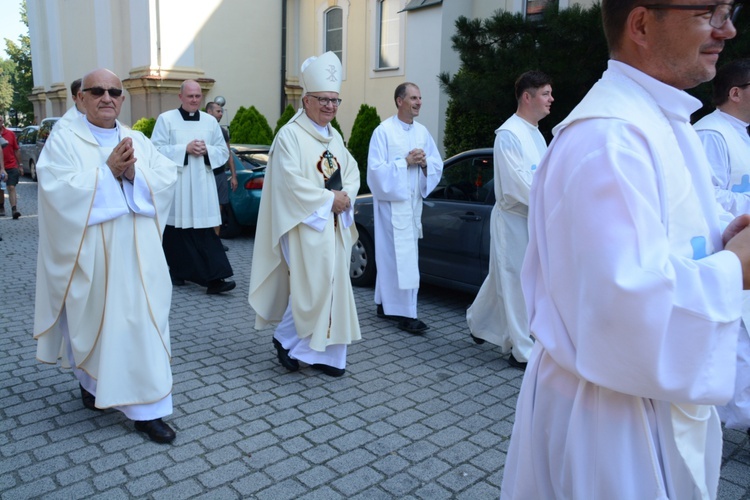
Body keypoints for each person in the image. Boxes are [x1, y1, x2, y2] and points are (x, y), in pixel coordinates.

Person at [501, 2, 750, 499]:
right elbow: (621, 307)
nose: (728, 29)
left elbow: (662, 241)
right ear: (640, 24)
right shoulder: (609, 136)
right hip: (611, 422)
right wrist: (734, 268)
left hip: (642, 405)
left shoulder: (662, 118)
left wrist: (723, 237)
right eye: (709, 12)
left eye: (729, 10)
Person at [33, 68, 178, 444]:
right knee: (97, 326)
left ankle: (148, 410)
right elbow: (55, 191)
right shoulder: (64, 140)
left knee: (143, 327)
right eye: (97, 90)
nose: (107, 97)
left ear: (123, 98)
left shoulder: (136, 138)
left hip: (141, 257)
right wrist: (106, 172)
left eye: (114, 91)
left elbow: (165, 178)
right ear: (80, 97)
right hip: (93, 256)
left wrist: (134, 177)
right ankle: (91, 381)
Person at [249, 51, 361, 377]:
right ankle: (285, 339)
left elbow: (350, 171)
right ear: (306, 100)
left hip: (333, 223)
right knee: (311, 288)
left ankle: (328, 356)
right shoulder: (290, 136)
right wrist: (329, 200)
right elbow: (289, 184)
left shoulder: (334, 136)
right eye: (323, 99)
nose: (330, 106)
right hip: (303, 223)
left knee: (333, 285)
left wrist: (345, 196)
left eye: (335, 100)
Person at [465, 70, 553, 370]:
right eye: (545, 93)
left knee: (503, 276)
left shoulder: (537, 133)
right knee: (516, 282)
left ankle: (477, 322)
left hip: (533, 219)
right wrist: (554, 201)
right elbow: (519, 184)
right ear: (527, 97)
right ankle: (522, 350)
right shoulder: (508, 135)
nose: (551, 99)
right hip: (514, 219)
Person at [694, 58, 750, 436]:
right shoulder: (711, 133)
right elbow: (705, 194)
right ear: (735, 93)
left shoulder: (740, 132)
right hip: (726, 245)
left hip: (742, 243)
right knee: (738, 339)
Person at [367, 83, 443, 334]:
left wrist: (423, 165)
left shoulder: (422, 132)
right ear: (399, 101)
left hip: (412, 208)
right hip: (391, 208)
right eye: (413, 98)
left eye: (420, 97)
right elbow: (375, 173)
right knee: (399, 259)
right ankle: (406, 314)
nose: (419, 102)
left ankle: (384, 304)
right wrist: (405, 162)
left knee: (395, 259)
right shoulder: (383, 132)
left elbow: (436, 163)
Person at [151, 80, 235, 294]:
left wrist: (208, 150)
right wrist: (184, 149)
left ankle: (215, 279)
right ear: (180, 97)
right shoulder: (166, 119)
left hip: (202, 187)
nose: (194, 100)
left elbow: (223, 152)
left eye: (198, 96)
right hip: (178, 187)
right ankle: (178, 272)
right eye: (190, 96)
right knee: (175, 233)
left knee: (205, 233)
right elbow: (155, 150)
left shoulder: (210, 121)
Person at [205, 101, 238, 239]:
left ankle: (216, 242)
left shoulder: (223, 131)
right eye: (218, 111)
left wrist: (234, 176)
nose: (221, 114)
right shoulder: (201, 129)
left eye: (221, 111)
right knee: (204, 210)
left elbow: (228, 153)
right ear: (209, 112)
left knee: (218, 210)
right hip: (205, 175)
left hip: (219, 175)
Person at [0, 115, 23, 219]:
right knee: (1, 189)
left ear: (3, 121)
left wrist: (20, 165)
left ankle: (14, 210)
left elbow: (16, 149)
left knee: (11, 187)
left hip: (11, 165)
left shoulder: (10, 134)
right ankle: (1, 207)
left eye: (0, 120)